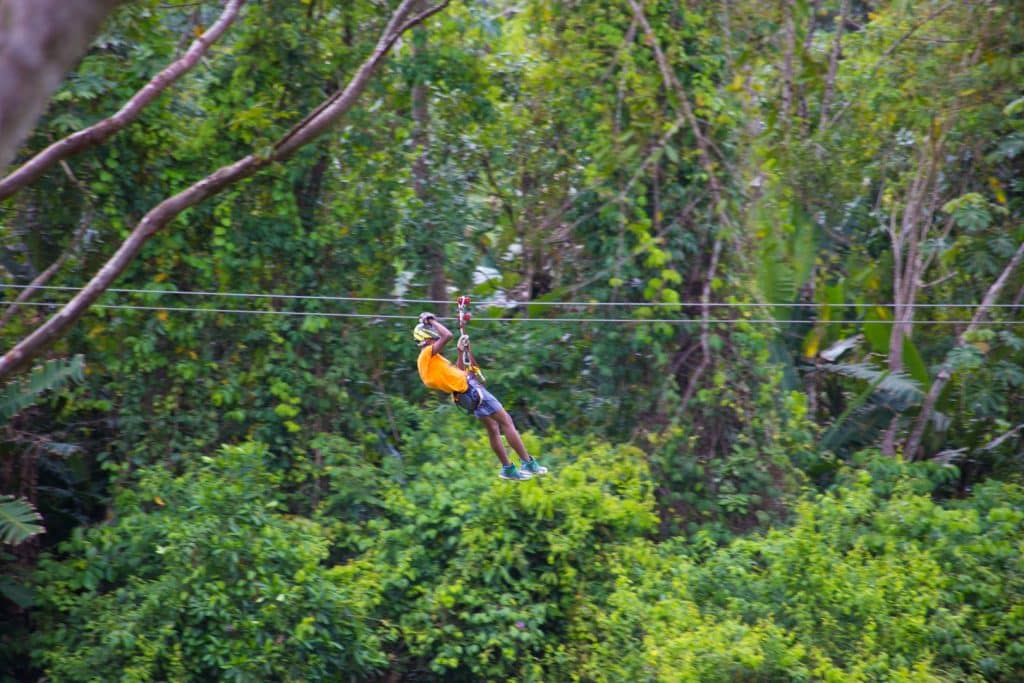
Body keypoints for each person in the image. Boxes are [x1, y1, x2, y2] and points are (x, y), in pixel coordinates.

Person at [413, 312, 548, 481]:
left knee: (493, 428)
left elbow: (459, 372)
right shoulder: (426, 355)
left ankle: (507, 468)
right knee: (506, 421)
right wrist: (431, 320)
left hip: (465, 396)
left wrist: (460, 351)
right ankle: (527, 463)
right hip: (472, 391)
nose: (436, 340)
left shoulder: (433, 361)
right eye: (433, 337)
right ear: (426, 338)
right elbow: (447, 335)